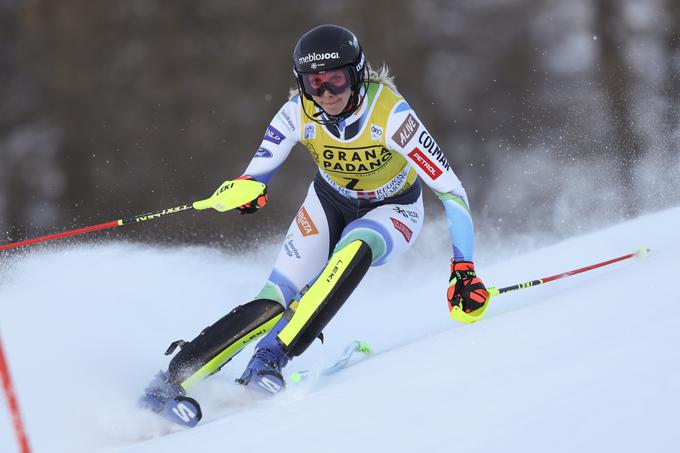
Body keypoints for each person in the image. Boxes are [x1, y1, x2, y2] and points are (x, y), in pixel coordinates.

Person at [143, 24, 488, 415]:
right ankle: (170, 381)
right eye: (314, 83)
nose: (326, 94)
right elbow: (256, 173)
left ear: (356, 74)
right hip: (328, 202)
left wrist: (463, 268)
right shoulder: (297, 113)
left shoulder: (391, 114)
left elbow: (451, 191)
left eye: (336, 81)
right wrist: (245, 191)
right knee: (273, 300)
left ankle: (269, 358)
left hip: (394, 209)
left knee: (356, 247)